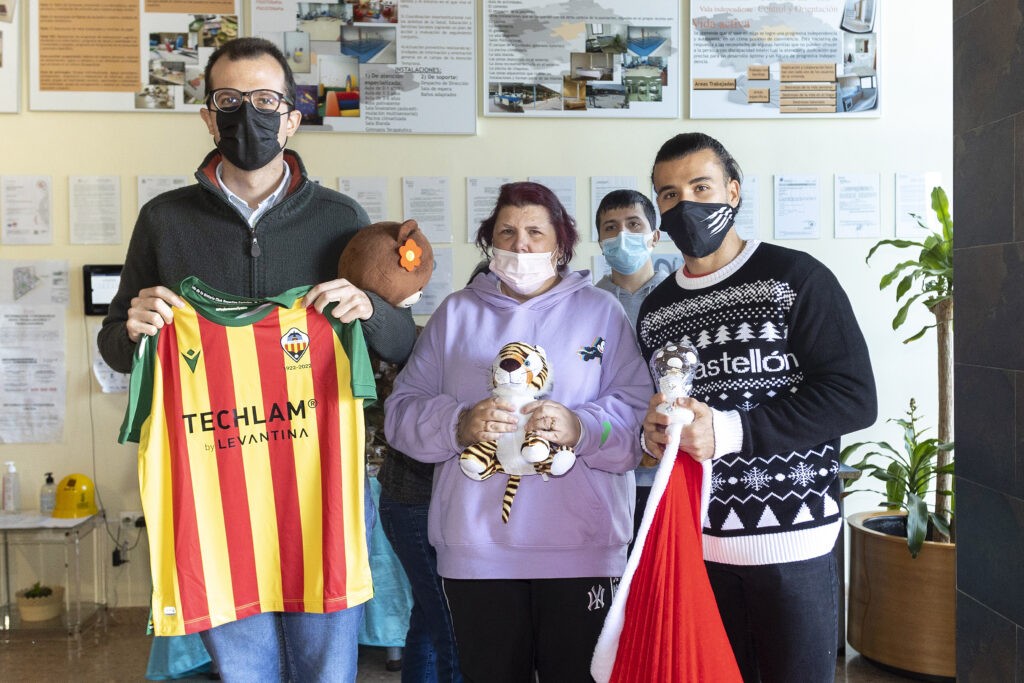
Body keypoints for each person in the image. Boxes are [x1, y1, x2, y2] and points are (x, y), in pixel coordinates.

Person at [98, 37, 416, 682]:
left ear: (293, 117)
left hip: (317, 478)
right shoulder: (164, 220)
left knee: (326, 666)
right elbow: (115, 348)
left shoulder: (339, 217)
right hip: (214, 483)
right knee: (244, 670)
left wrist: (369, 309)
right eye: (230, 100)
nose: (249, 114)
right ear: (208, 116)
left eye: (267, 100)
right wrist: (131, 327)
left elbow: (401, 342)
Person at [384, 182, 651, 683]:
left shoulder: (601, 312)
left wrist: (581, 427)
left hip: (583, 552)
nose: (521, 244)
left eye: (535, 232)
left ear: (561, 243)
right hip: (477, 553)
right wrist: (458, 423)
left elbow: (636, 419)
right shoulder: (456, 313)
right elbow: (400, 412)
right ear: (490, 241)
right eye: (506, 232)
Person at [636, 133, 877, 682]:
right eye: (670, 195)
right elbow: (666, 412)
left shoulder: (795, 277)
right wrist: (652, 435)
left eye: (701, 187)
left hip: (792, 543)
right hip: (699, 549)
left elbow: (854, 397)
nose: (686, 204)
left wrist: (730, 431)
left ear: (733, 191)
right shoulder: (657, 310)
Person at [593, 189, 666, 550]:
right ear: (600, 242)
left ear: (655, 236)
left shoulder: (678, 299)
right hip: (606, 468)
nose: (622, 235)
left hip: (667, 471)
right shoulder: (587, 304)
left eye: (634, 224)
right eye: (611, 227)